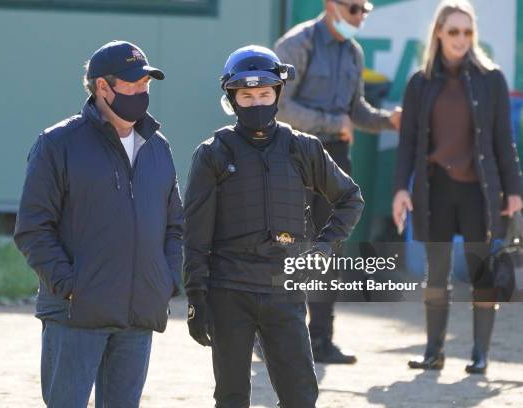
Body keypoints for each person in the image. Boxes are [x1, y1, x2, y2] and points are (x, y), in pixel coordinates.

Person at [184, 45, 364, 408]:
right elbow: (195, 234)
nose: (256, 103)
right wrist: (195, 297)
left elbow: (350, 199)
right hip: (229, 292)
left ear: (278, 93)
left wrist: (324, 247)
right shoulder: (212, 155)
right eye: (246, 96)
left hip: (284, 291)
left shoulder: (303, 148)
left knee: (301, 396)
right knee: (232, 397)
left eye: (264, 94)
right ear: (231, 98)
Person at [14, 40, 183, 407]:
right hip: (76, 314)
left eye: (146, 84)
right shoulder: (57, 143)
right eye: (133, 84)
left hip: (138, 316)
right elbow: (33, 228)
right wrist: (71, 286)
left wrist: (165, 280)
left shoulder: (158, 147)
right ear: (102, 87)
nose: (142, 92)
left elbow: (175, 226)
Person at [392, 0, 522, 375]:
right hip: (435, 191)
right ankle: (434, 352)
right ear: (438, 34)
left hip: (479, 193)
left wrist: (514, 191)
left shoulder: (491, 78)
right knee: (436, 274)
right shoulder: (420, 82)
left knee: (483, 274)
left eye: (467, 31)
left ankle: (480, 355)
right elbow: (408, 143)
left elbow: (503, 140)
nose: (461, 39)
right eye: (453, 31)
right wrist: (401, 188)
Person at [274, 0, 401, 365]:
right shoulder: (296, 44)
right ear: (330, 5)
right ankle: (271, 337)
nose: (360, 17)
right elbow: (280, 107)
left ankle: (321, 342)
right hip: (293, 155)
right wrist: (333, 123)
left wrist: (387, 120)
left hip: (335, 160)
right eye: (354, 8)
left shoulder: (354, 53)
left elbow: (355, 110)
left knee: (329, 249)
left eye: (366, 10)